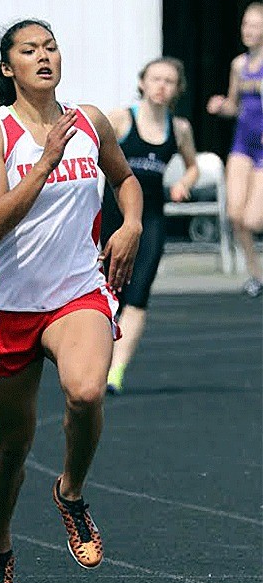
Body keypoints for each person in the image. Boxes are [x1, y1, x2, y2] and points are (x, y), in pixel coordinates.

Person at [0, 19, 143, 583]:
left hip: (77, 292)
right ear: (7, 67)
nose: (43, 57)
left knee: (87, 392)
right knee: (8, 453)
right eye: (28, 50)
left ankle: (69, 493)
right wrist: (43, 164)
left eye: (50, 47)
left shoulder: (91, 121)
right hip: (12, 304)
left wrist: (133, 225)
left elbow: (126, 181)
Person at [101, 57, 198, 395]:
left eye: (169, 81)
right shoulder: (119, 119)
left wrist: (184, 182)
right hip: (112, 219)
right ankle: (95, 362)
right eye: (155, 79)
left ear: (177, 89)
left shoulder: (180, 128)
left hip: (151, 218)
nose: (161, 86)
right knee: (107, 293)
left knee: (138, 294)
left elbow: (193, 166)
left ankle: (116, 371)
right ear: (142, 82)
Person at [207, 2, 263, 298]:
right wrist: (221, 106)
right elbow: (234, 105)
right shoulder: (239, 65)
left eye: (255, 25)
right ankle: (256, 274)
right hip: (243, 143)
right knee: (236, 214)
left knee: (255, 219)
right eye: (245, 24)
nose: (248, 30)